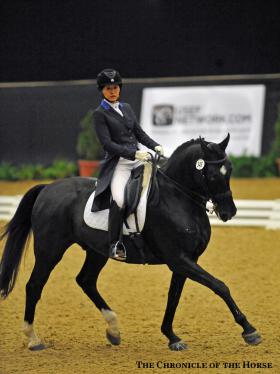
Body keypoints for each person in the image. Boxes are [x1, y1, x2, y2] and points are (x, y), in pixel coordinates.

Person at [91, 68, 164, 260]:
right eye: (108, 88)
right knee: (120, 200)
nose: (113, 91)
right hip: (120, 164)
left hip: (139, 159)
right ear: (102, 90)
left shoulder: (127, 108)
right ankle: (115, 244)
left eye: (115, 87)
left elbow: (139, 133)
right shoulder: (100, 114)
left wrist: (155, 146)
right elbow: (107, 144)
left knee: (158, 187)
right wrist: (133, 153)